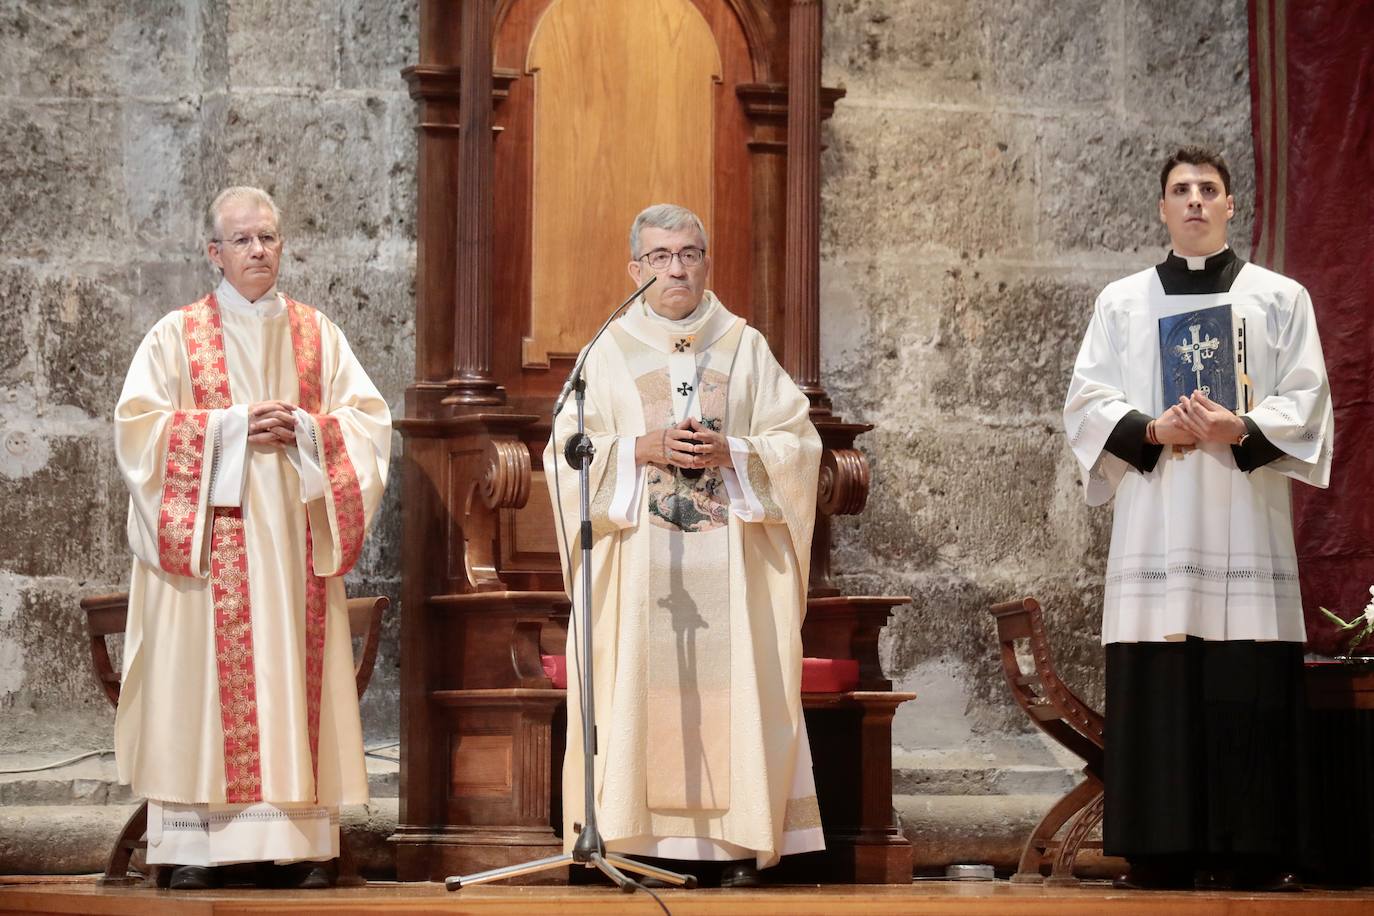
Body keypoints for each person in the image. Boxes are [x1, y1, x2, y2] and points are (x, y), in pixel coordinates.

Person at [1064, 147, 1333, 891]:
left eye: (1207, 190)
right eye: (1179, 191)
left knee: (1245, 675)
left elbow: (1308, 400)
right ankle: (1160, 846)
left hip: (1245, 516)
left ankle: (1255, 848)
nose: (1193, 201)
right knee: (1163, 668)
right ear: (1161, 209)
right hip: (1160, 519)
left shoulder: (1281, 298)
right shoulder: (1121, 302)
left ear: (1229, 206)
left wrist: (1238, 426)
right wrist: (1153, 432)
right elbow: (1085, 402)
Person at [113, 186, 392, 890]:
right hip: (210, 560)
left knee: (291, 679)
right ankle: (195, 850)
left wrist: (304, 430)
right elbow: (139, 434)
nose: (258, 250)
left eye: (267, 237)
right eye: (242, 240)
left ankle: (298, 847)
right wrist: (232, 428)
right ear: (214, 252)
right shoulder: (175, 336)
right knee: (201, 690)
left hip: (292, 546)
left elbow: (367, 423)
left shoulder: (316, 333)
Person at [543, 203, 823, 887]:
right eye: (662, 257)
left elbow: (800, 445)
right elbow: (563, 456)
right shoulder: (605, 351)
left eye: (689, 254)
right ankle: (630, 839)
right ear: (635, 270)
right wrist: (636, 448)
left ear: (706, 261)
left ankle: (734, 843)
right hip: (640, 569)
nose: (677, 268)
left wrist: (735, 451)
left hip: (732, 567)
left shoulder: (744, 346)